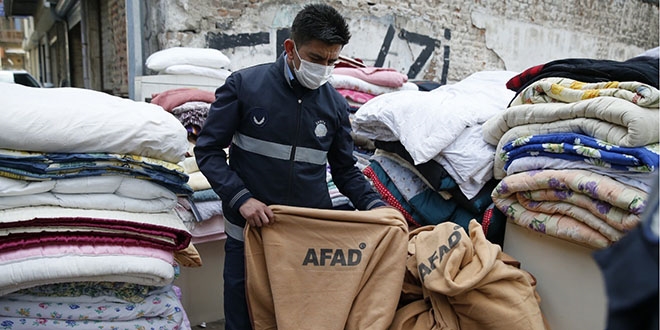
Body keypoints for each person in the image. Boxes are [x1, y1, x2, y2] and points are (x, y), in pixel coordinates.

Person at [194, 4, 387, 329]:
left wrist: (376, 206)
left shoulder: (335, 106)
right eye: (316, 59)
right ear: (290, 48)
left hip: (306, 239)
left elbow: (345, 170)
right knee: (244, 318)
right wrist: (241, 198)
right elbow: (208, 151)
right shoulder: (244, 86)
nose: (324, 68)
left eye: (331, 61)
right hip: (248, 235)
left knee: (302, 319)